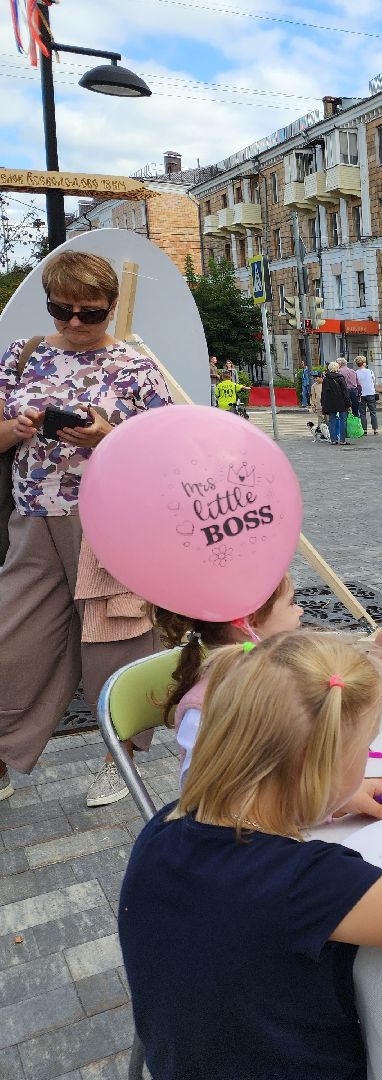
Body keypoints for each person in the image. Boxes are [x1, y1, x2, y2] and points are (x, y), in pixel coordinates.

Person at [117, 630, 382, 1079]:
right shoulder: (306, 883)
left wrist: (332, 799)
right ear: (315, 767)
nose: (368, 758)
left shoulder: (163, 826)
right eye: (365, 749)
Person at [0, 250, 174, 807]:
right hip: (31, 516)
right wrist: (18, 426)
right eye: (61, 309)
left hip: (108, 519)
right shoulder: (22, 354)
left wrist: (105, 437)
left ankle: (118, 756)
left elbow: (164, 451)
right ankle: (4, 754)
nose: (74, 323)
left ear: (111, 307)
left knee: (115, 639)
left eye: (89, 313)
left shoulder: (136, 367)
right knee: (14, 639)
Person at [151, 573, 382, 787]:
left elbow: (343, 704)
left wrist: (380, 651)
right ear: (249, 622)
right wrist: (324, 802)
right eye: (291, 603)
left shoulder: (283, 665)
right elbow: (206, 800)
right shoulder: (207, 710)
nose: (301, 610)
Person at [320, 362, 350, 445]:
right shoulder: (340, 378)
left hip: (330, 403)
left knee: (331, 421)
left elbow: (324, 393)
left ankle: (333, 440)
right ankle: (342, 440)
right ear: (337, 368)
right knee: (343, 420)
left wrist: (323, 404)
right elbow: (345, 391)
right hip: (341, 402)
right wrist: (348, 403)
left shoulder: (326, 379)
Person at [355, 356, 378, 435]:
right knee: (373, 412)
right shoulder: (370, 371)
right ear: (364, 363)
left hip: (361, 394)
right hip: (370, 393)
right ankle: (375, 429)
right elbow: (373, 381)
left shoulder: (356, 373)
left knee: (362, 413)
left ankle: (364, 430)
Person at [338, 357, 362, 433]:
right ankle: (356, 429)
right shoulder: (353, 371)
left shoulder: (339, 372)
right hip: (354, 392)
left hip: (344, 392)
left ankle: (346, 430)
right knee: (355, 411)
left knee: (345, 411)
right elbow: (358, 384)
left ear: (339, 364)